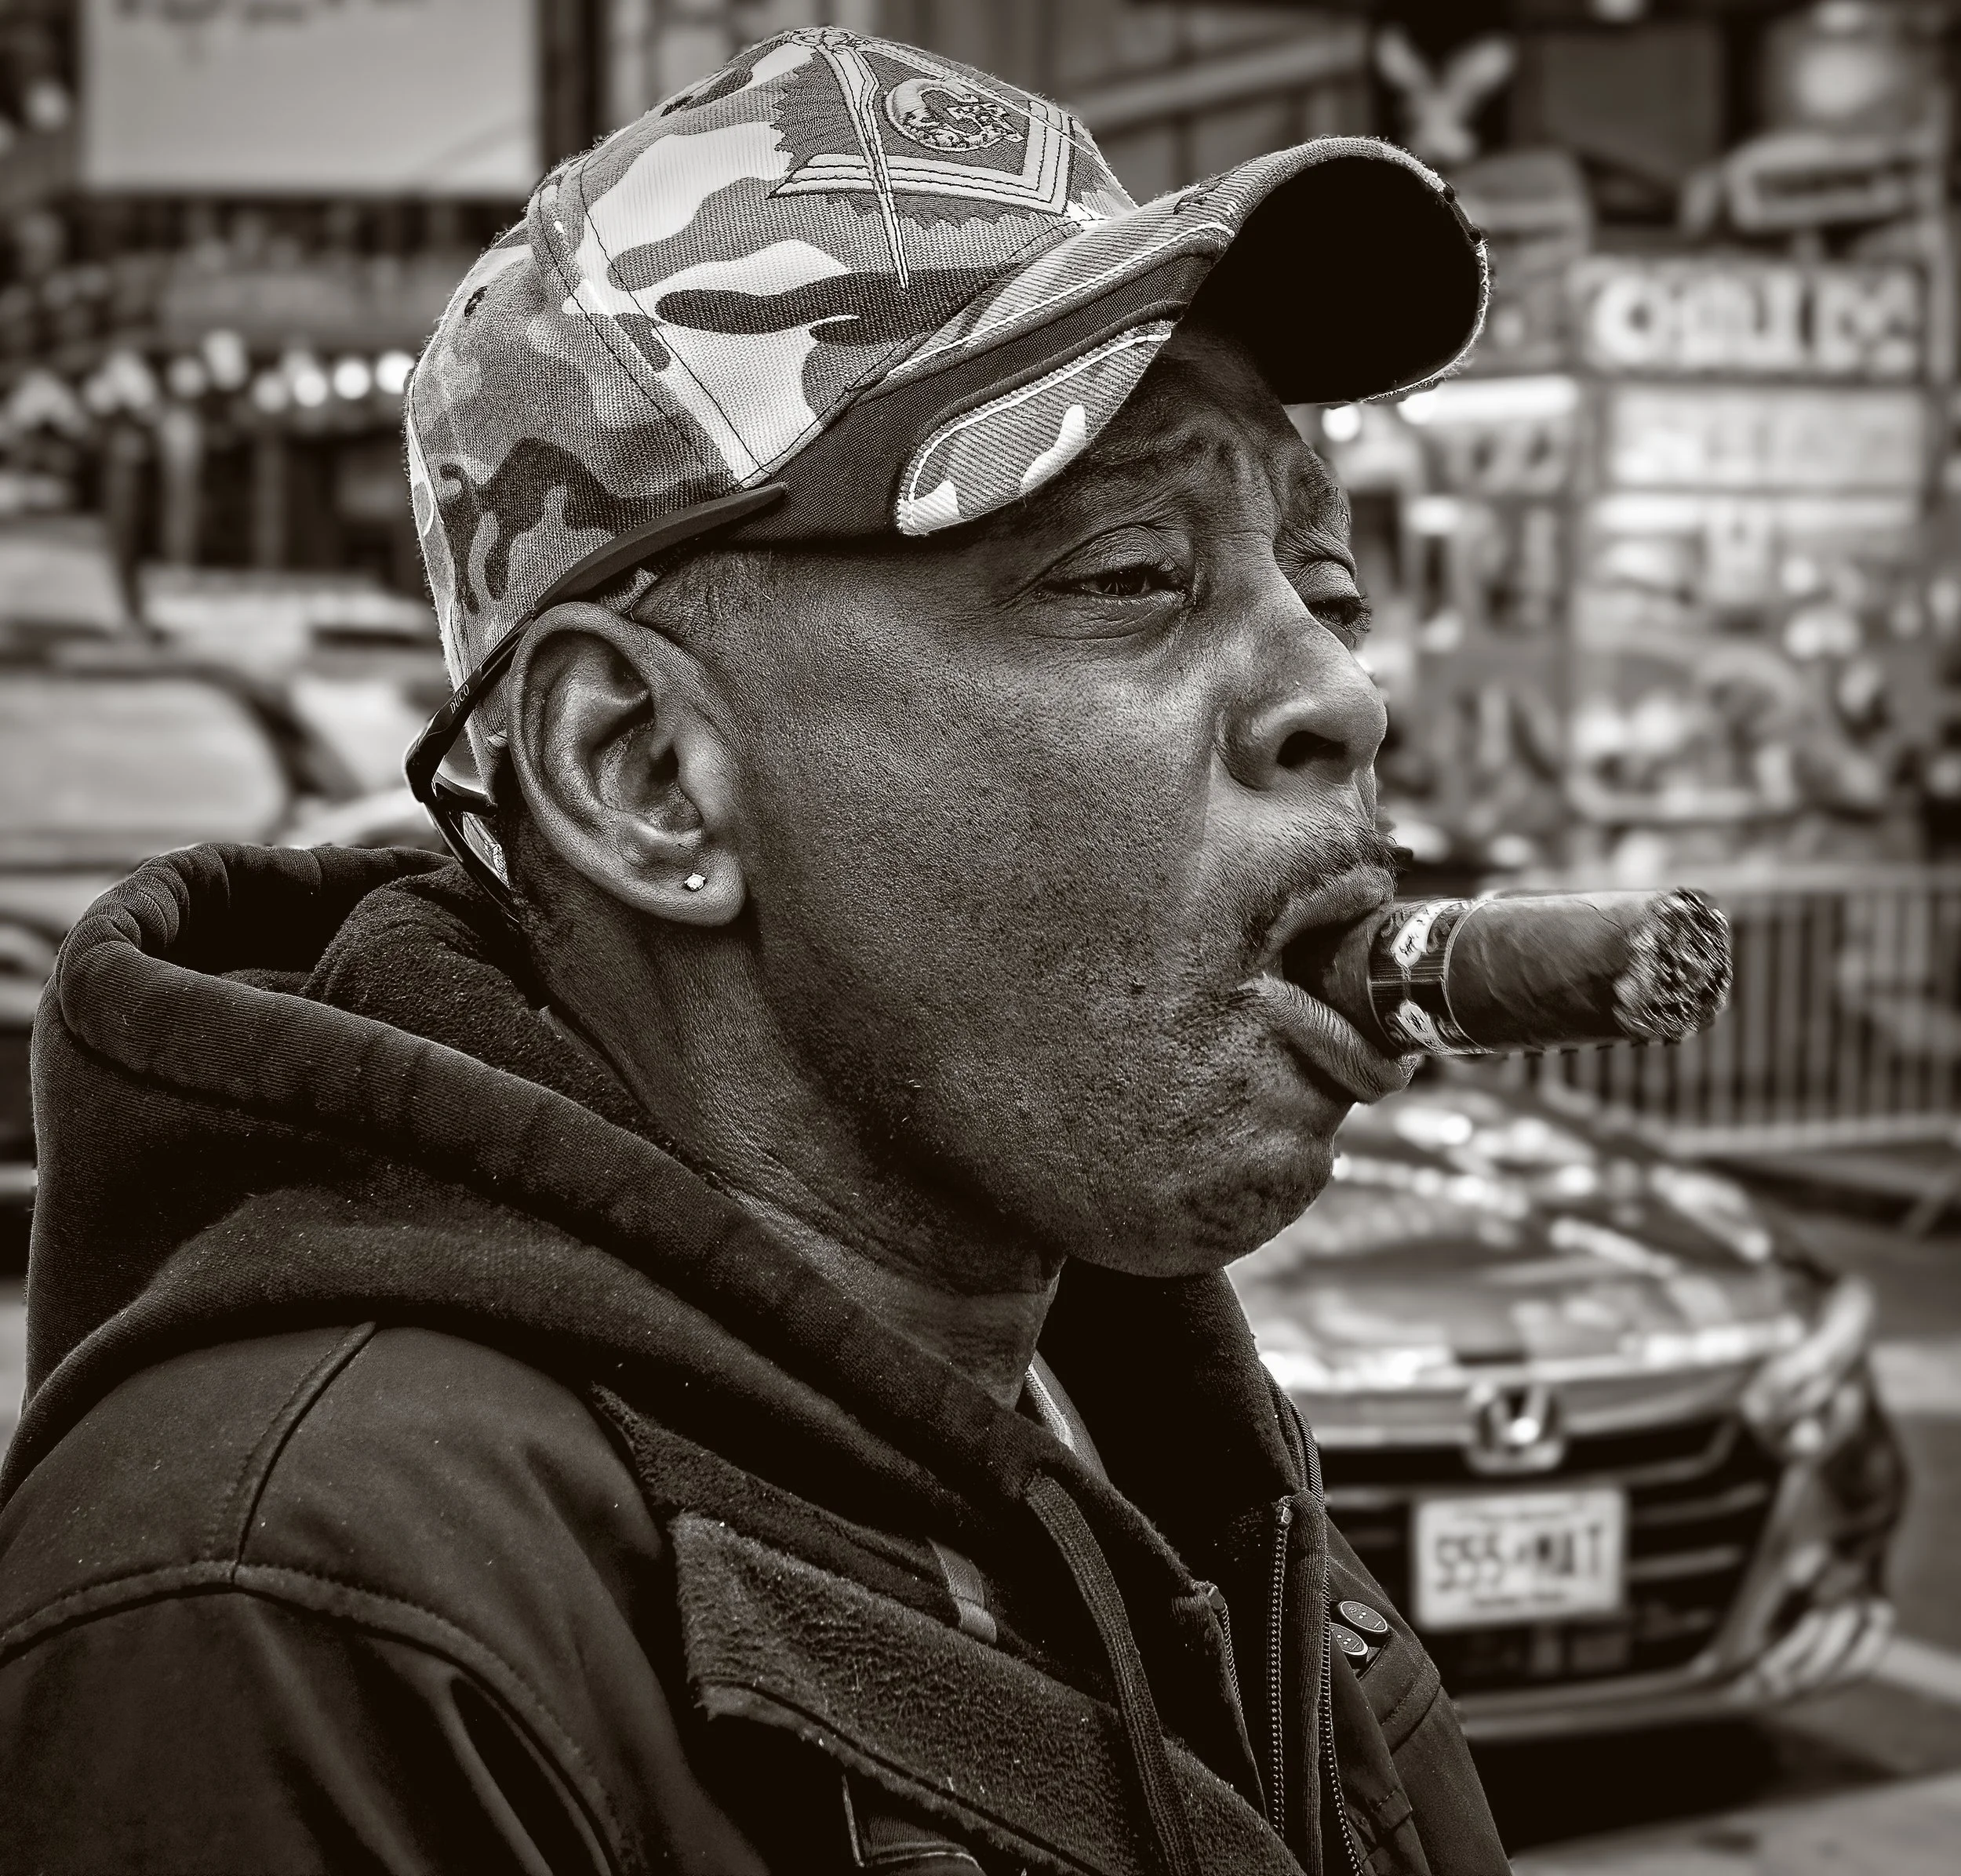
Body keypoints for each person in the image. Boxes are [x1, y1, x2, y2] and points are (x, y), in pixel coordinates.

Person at [0, 29, 1504, 1876]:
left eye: (1326, 588)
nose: (1339, 692)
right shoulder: (297, 1600)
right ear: (642, 777)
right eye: (1130, 576)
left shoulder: (1126, 1401)